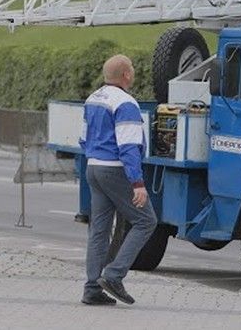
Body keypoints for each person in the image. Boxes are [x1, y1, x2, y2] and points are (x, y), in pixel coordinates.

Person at [80, 54, 157, 306]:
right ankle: (114, 275)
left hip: (93, 167)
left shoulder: (93, 98)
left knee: (100, 230)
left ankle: (92, 289)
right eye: (132, 69)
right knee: (146, 221)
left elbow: (84, 138)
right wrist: (137, 183)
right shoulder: (126, 103)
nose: (133, 72)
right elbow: (129, 146)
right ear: (125, 74)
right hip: (115, 170)